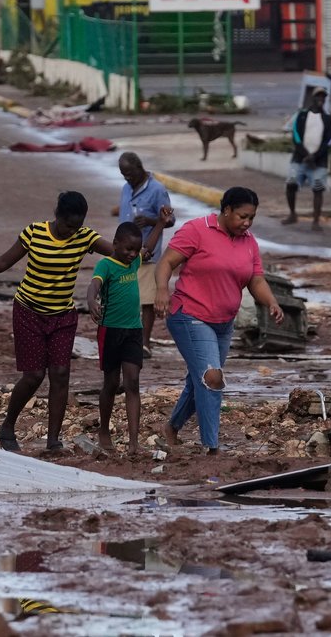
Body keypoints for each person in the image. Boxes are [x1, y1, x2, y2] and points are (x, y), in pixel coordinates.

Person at [0, 191, 115, 452]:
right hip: (28, 312)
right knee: (34, 375)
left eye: (77, 226)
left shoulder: (85, 237)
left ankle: (53, 440)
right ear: (56, 216)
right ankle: (8, 426)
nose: (73, 231)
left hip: (63, 316)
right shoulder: (34, 233)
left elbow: (118, 251)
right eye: (69, 225)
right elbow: (4, 261)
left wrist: (140, 246)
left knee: (60, 374)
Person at [154, 187, 285, 455]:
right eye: (242, 216)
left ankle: (171, 428)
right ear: (226, 210)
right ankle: (211, 447)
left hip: (223, 323)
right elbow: (166, 262)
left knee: (200, 380)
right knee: (212, 377)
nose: (247, 223)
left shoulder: (248, 241)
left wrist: (271, 302)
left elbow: (255, 279)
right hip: (189, 314)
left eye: (251, 218)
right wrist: (161, 291)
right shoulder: (196, 230)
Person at [85, 218, 169, 455]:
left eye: (135, 249)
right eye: (128, 249)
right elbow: (94, 285)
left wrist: (161, 224)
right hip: (110, 331)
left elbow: (148, 247)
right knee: (110, 384)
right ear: (115, 244)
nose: (133, 254)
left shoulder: (135, 262)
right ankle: (104, 430)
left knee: (132, 382)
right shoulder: (107, 265)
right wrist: (91, 300)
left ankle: (134, 442)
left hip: (134, 331)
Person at [117, 152, 175, 358]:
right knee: (127, 298)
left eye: (130, 174)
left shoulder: (157, 189)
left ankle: (145, 343)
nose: (128, 178)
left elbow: (170, 219)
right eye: (124, 175)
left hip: (147, 254)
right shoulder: (125, 188)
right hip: (124, 254)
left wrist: (151, 221)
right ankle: (127, 340)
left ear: (140, 168)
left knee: (147, 301)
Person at [284, 87, 331, 231]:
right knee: (291, 185)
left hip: (319, 162)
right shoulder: (301, 116)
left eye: (323, 97)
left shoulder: (329, 119)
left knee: (318, 189)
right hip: (299, 159)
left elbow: (330, 141)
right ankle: (292, 214)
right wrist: (305, 155)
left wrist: (314, 156)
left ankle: (315, 221)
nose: (321, 99)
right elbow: (295, 136)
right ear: (312, 98)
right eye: (318, 96)